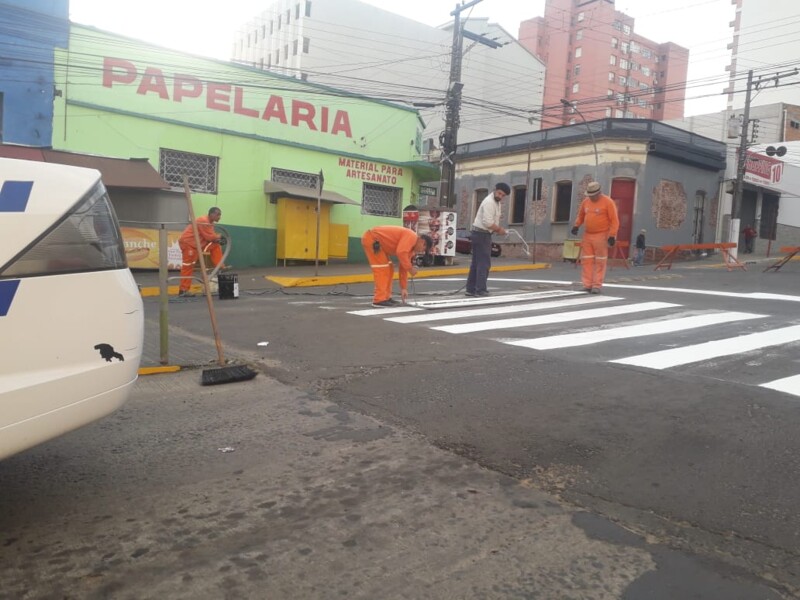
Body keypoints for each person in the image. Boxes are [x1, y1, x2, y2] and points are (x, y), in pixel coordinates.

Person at [361, 226, 432, 307]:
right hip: (372, 239)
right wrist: (410, 268)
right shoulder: (412, 237)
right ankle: (379, 300)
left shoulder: (410, 251)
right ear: (422, 242)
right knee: (383, 269)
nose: (421, 251)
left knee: (390, 269)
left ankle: (386, 297)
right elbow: (401, 252)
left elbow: (403, 268)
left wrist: (403, 288)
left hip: (378, 243)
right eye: (424, 249)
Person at [571, 181, 619, 293]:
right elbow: (581, 215)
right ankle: (587, 285)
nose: (591, 197)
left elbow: (614, 220)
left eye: (593, 195)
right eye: (589, 195)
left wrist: (612, 236)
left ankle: (597, 285)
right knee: (586, 260)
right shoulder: (586, 202)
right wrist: (576, 226)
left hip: (602, 235)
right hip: (588, 235)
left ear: (599, 193)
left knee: (600, 261)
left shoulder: (608, 202)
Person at [466, 182, 509, 296]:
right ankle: (480, 289)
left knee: (476, 262)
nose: (500, 196)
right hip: (481, 234)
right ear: (495, 190)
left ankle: (471, 289)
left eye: (503, 195)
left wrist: (496, 230)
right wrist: (499, 230)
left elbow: (492, 221)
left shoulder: (496, 202)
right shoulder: (489, 202)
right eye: (499, 193)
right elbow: (488, 222)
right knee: (484, 263)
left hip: (481, 233)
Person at [178, 207, 226, 297]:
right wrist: (219, 237)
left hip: (197, 244)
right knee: (188, 266)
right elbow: (209, 237)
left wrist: (217, 240)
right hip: (189, 244)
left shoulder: (210, 223)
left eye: (220, 215)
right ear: (211, 214)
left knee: (215, 245)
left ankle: (220, 266)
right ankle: (183, 290)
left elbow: (210, 237)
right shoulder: (203, 221)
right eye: (218, 215)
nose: (219, 217)